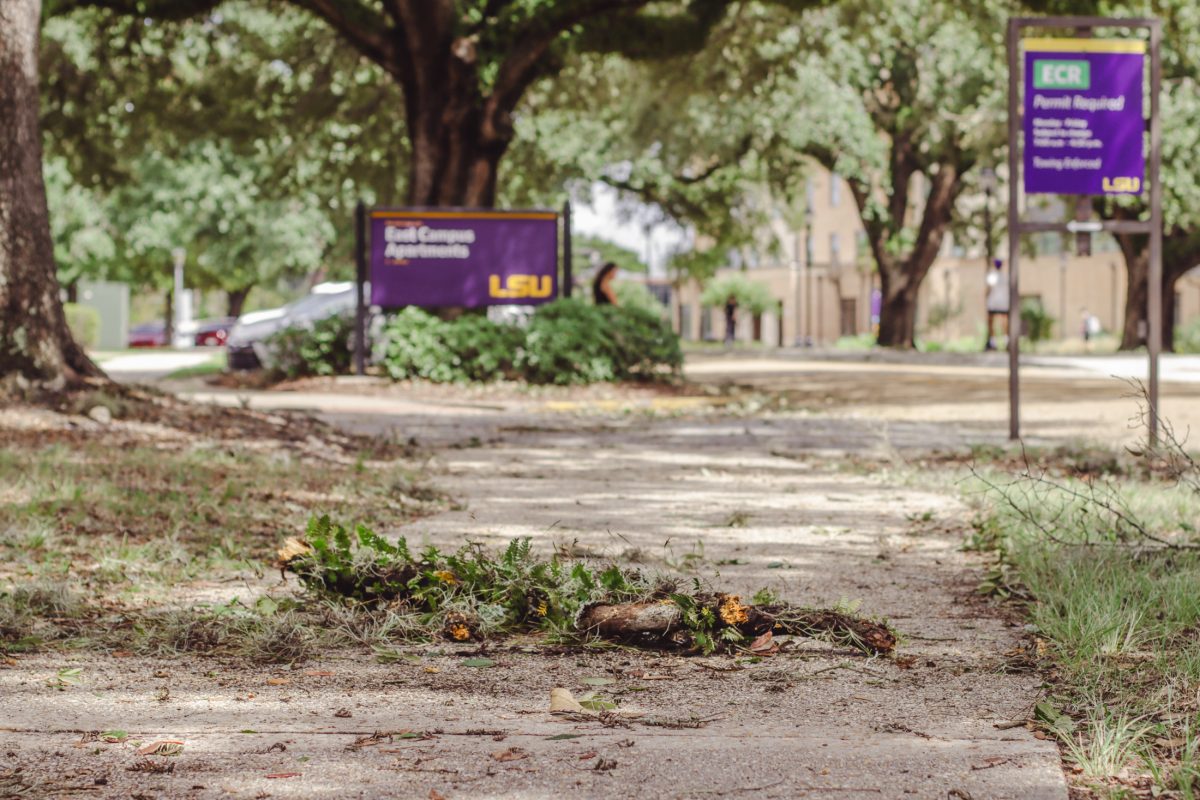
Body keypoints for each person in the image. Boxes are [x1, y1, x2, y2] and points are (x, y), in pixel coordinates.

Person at [984, 259, 1009, 351]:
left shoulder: (992, 276)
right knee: (1004, 322)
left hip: (994, 303)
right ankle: (1006, 341)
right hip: (1004, 303)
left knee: (992, 322)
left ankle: (993, 342)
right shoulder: (1005, 276)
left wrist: (986, 297)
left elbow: (988, 289)